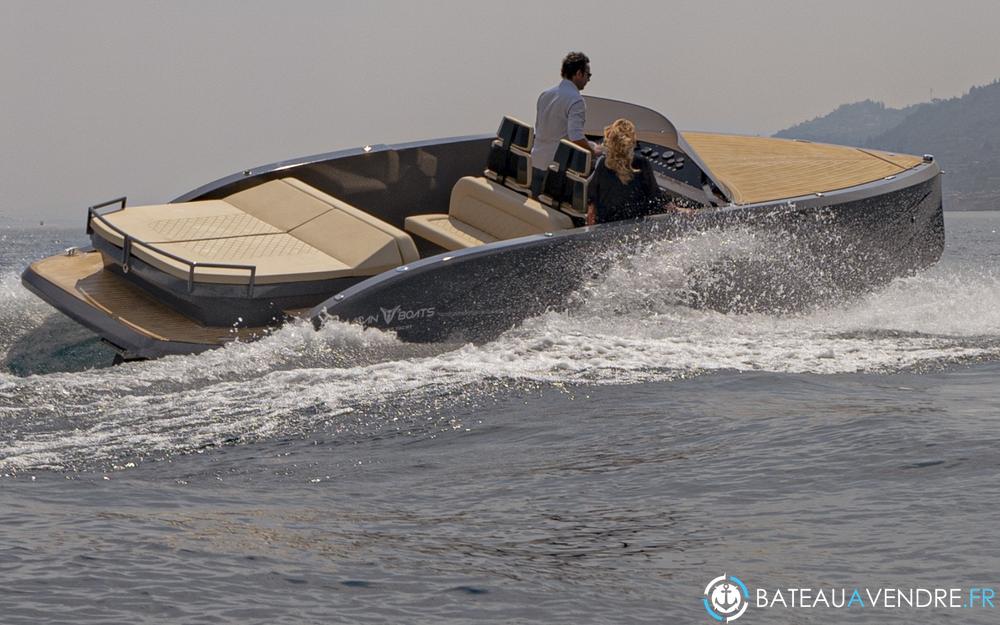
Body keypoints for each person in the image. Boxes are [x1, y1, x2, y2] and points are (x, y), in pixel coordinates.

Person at [530, 51, 599, 197]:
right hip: (555, 169)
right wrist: (594, 152)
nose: (588, 80)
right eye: (588, 75)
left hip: (535, 161)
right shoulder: (576, 100)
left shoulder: (545, 94)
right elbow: (576, 137)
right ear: (579, 73)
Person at [586, 118, 663, 225]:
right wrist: (680, 210)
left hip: (606, 226)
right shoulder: (641, 163)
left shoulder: (604, 164)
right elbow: (656, 199)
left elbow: (592, 202)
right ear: (633, 141)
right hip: (635, 226)